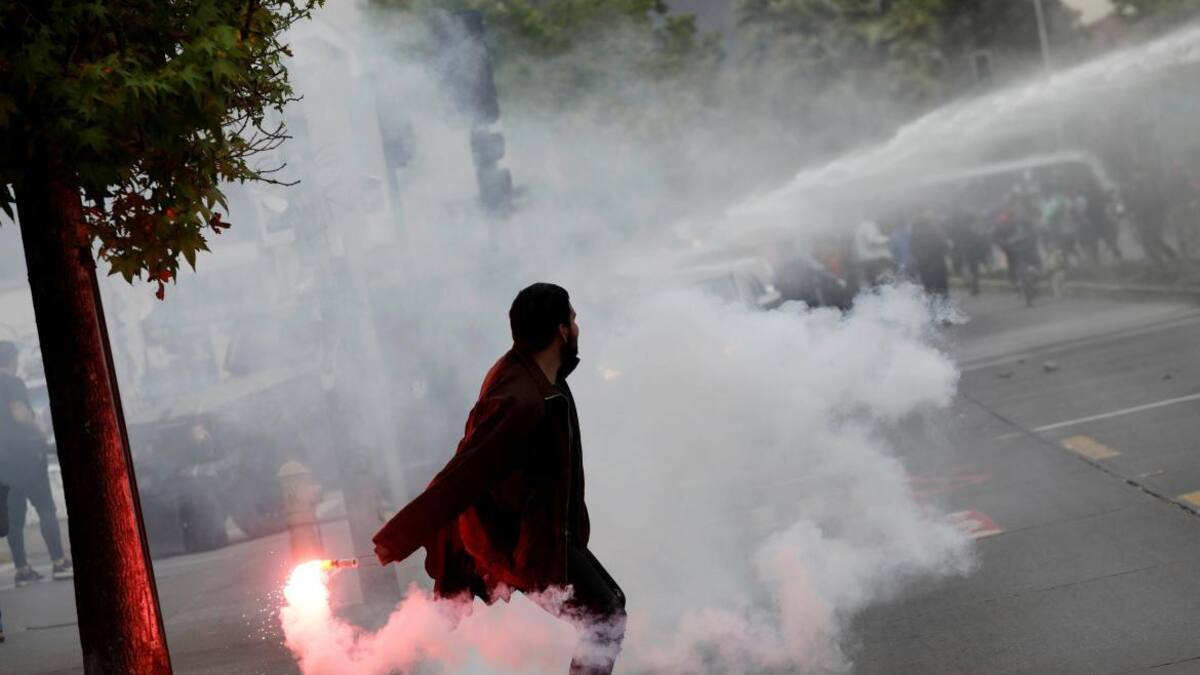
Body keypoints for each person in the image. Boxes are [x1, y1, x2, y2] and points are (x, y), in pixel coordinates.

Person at [373, 283, 625, 675]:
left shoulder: (542, 381)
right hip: (527, 545)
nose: (577, 327)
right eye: (573, 319)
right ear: (561, 330)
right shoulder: (521, 399)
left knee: (606, 612)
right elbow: (464, 474)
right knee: (606, 616)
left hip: (549, 536)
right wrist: (398, 537)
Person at [0, 342, 72, 586]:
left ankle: (22, 569)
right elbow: (19, 413)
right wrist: (40, 430)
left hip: (3, 463)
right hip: (27, 457)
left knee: (14, 518)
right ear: (12, 359)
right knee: (46, 508)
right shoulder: (12, 383)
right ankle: (59, 562)